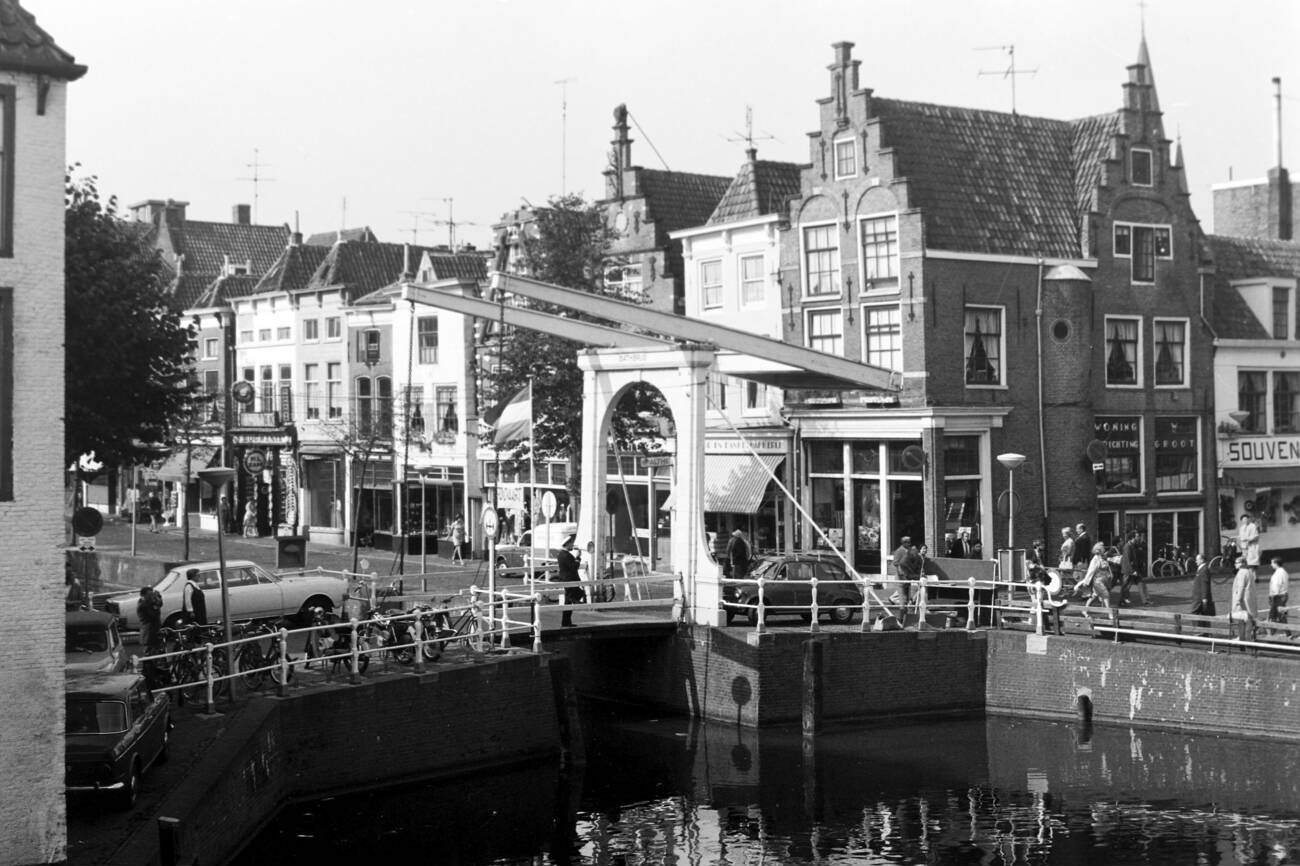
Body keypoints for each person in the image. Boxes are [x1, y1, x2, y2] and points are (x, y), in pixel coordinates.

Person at [1075, 541, 1112, 617]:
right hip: (1097, 581)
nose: (1103, 549)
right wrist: (1086, 581)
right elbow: (1090, 571)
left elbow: (1107, 567)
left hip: (1103, 580)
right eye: (1102, 548)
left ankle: (1084, 610)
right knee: (1106, 595)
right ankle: (1110, 613)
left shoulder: (1103, 558)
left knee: (1094, 596)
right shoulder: (1095, 560)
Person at [1229, 555, 1257, 642]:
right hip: (1248, 598)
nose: (1235, 564)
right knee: (1247, 618)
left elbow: (1241, 587)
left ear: (1242, 563)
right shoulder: (1249, 571)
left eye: (1236, 563)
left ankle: (1243, 638)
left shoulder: (1241, 572)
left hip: (1242, 600)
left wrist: (1238, 599)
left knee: (1242, 619)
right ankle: (1244, 637)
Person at [555, 537, 582, 627]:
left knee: (568, 602)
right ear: (567, 544)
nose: (572, 545)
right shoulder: (566, 555)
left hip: (566, 580)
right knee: (574, 597)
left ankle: (566, 622)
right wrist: (578, 558)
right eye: (571, 543)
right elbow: (574, 567)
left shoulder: (562, 554)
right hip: (570, 580)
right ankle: (566, 621)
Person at [891, 537, 921, 609]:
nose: (909, 544)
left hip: (907, 577)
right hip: (901, 577)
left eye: (910, 542)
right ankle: (901, 616)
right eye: (908, 542)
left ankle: (906, 615)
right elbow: (895, 563)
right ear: (903, 543)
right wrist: (902, 571)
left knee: (907, 597)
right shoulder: (899, 551)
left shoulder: (909, 550)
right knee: (902, 598)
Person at [1267, 555, 1290, 633]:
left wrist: (1273, 596)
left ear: (1276, 563)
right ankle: (1286, 633)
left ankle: (1272, 633)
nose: (1271, 565)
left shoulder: (1278, 573)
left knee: (1274, 615)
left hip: (1278, 596)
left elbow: (1277, 585)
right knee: (1279, 615)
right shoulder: (1283, 572)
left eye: (1272, 563)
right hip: (1282, 595)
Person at [1189, 553, 1216, 617]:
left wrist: (1204, 598)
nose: (1196, 562)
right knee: (1202, 615)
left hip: (1199, 598)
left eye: (1197, 560)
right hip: (1198, 598)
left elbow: (1205, 584)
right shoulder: (1202, 569)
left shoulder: (1204, 570)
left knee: (1195, 614)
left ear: (1202, 560)